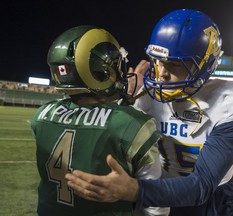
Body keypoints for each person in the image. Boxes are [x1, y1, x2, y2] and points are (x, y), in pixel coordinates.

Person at [65, 9, 233, 216]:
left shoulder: (228, 100)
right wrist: (122, 99)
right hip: (159, 196)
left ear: (205, 65)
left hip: (211, 202)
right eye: (157, 61)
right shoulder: (145, 95)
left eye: (174, 64)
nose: (161, 74)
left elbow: (202, 186)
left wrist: (134, 190)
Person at [31, 25, 169, 216]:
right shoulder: (133, 124)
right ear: (101, 72)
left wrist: (125, 98)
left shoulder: (41, 116)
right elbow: (155, 206)